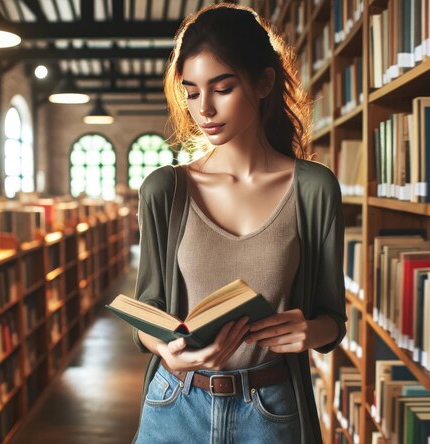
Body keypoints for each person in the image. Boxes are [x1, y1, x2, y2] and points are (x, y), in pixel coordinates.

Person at [132, 4, 346, 443]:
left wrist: (310, 330)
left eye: (222, 87)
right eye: (191, 92)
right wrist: (167, 351)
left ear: (264, 81)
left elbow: (333, 318)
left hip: (268, 411)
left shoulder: (313, 188)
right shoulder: (164, 189)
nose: (204, 109)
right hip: (175, 404)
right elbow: (145, 315)